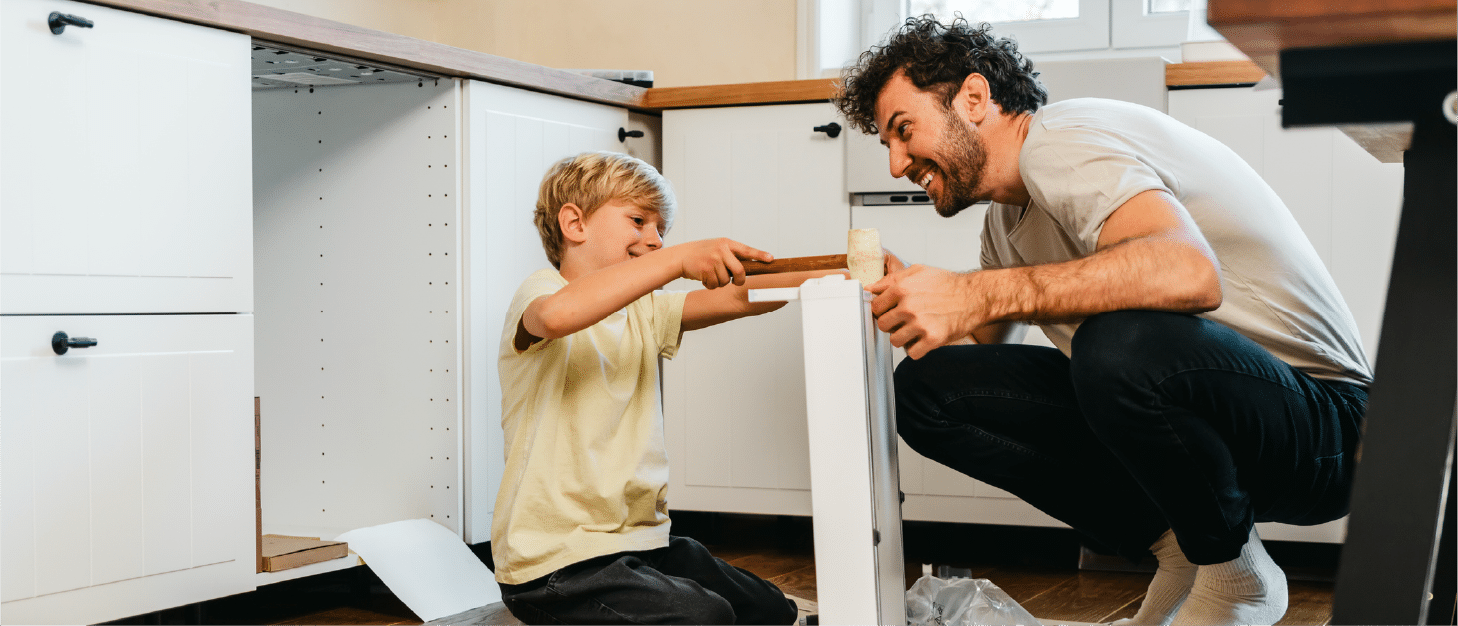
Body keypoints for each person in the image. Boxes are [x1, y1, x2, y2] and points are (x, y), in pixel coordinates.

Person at [834, 16, 1370, 626]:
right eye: (887, 145)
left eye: (904, 131)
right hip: (1217, 437)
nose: (897, 164)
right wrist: (917, 297)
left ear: (975, 99)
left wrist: (976, 293)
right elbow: (978, 359)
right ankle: (1184, 554)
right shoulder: (1004, 224)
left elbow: (1188, 272)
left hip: (1330, 433)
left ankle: (1235, 578)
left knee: (1115, 343)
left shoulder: (1061, 139)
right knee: (930, 391)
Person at [491, 151, 807, 625]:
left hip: (638, 543)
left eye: (664, 231)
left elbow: (744, 296)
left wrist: (851, 273)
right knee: (706, 617)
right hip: (556, 565)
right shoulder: (540, 292)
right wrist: (680, 259)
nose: (656, 241)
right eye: (639, 221)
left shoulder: (646, 310)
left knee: (770, 609)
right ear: (574, 224)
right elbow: (557, 317)